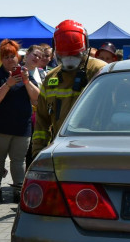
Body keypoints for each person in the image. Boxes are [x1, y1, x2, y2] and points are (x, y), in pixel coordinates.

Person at [31, 20, 107, 160]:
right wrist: (37, 152)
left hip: (95, 150)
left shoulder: (100, 71)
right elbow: (42, 120)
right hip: (60, 149)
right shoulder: (51, 77)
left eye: (75, 56)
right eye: (65, 57)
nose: (70, 62)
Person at [0, 41, 38, 203]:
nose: (9, 60)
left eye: (12, 56)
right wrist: (8, 84)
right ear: (1, 59)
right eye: (6, 57)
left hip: (22, 127)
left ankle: (17, 191)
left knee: (18, 160)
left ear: (18, 57)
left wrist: (26, 82)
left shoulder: (26, 74)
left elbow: (37, 99)